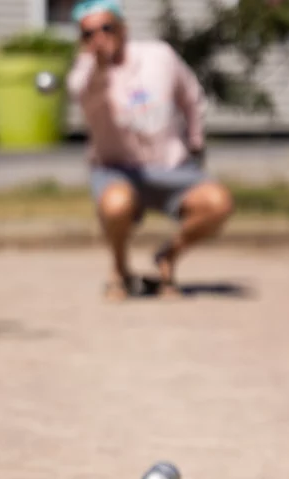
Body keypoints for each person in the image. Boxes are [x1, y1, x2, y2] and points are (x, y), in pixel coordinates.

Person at [67, 0, 234, 300]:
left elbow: (191, 96)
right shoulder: (84, 73)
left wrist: (196, 141)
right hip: (116, 169)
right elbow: (87, 99)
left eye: (106, 28)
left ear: (123, 28)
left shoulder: (159, 56)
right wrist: (99, 69)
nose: (99, 38)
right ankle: (119, 270)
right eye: (88, 34)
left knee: (218, 203)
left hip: (171, 165)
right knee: (115, 205)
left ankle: (167, 257)